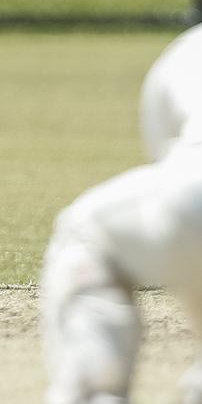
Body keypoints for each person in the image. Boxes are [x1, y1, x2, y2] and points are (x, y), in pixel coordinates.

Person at [41, 22, 202, 403]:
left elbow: (176, 180)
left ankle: (96, 392)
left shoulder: (189, 47)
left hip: (191, 199)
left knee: (86, 231)